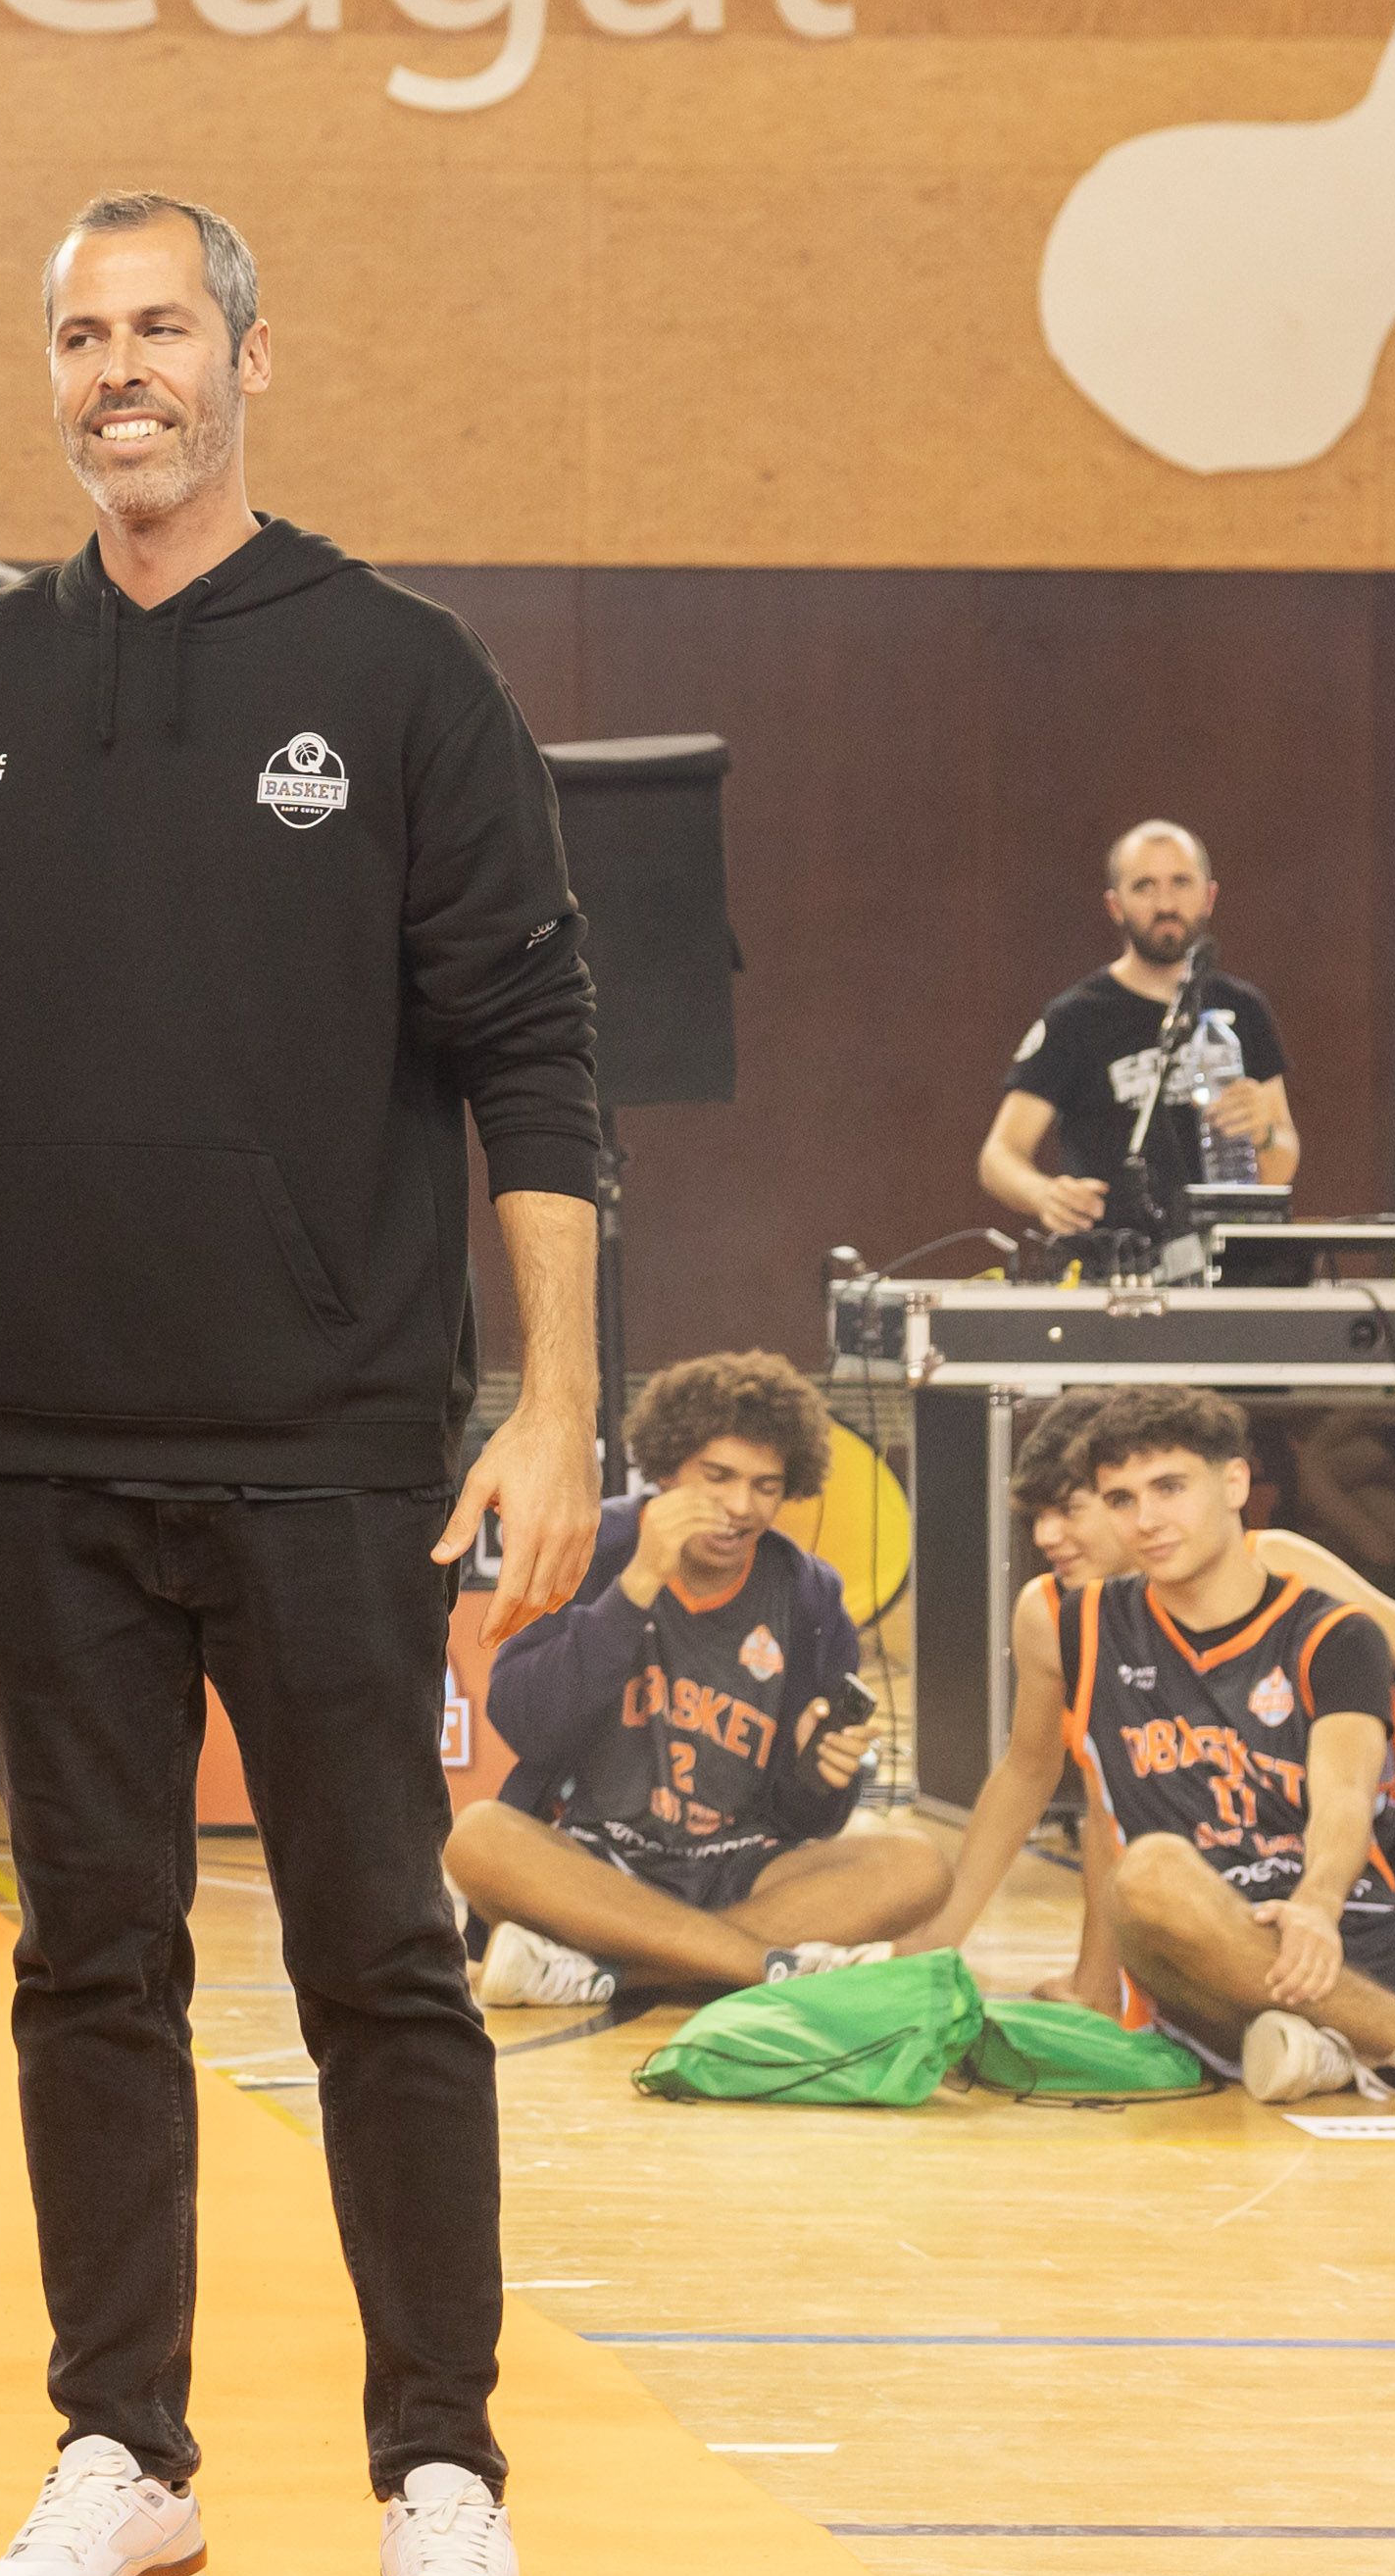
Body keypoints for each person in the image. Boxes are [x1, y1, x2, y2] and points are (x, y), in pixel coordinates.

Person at [0, 191, 599, 2576]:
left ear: (249, 360)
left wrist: (558, 1400)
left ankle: (440, 2472)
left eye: (157, 326)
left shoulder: (400, 679)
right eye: (75, 333)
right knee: (90, 1965)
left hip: (329, 1447)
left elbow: (536, 1064)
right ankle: (127, 2458)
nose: (115, 372)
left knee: (383, 1962)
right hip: (41, 1448)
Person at [935, 1387, 1395, 2105]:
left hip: (1367, 1870)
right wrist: (968, 1949)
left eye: (1069, 1510)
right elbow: (1091, 1808)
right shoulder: (1067, 1621)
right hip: (1230, 1922)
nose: (1049, 1537)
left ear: (1231, 1485)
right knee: (1154, 1871)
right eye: (1116, 1499)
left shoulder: (1297, 1589)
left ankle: (1357, 2039)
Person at [454, 1351, 943, 2006]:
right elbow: (526, 1721)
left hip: (740, 1867)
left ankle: (602, 1971)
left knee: (919, 1865)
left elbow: (811, 1822)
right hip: (594, 1858)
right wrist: (634, 1588)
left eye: (765, 1485)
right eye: (718, 1476)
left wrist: (819, 1772)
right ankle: (770, 1966)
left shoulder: (809, 1592)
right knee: (478, 1836)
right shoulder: (590, 1547)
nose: (741, 1505)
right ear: (667, 1467)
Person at [973, 821, 1294, 1258]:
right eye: (1144, 886)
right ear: (1115, 906)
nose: (1165, 903)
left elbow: (1281, 1162)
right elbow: (999, 1157)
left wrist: (1265, 1135)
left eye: (1181, 883)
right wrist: (1044, 1195)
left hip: (1226, 1267)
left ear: (1209, 896)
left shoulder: (1243, 1008)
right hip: (1111, 1272)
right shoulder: (1076, 1017)